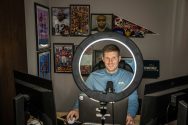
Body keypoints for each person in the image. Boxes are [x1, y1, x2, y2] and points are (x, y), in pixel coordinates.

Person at [67, 44, 138, 125]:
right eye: (107, 58)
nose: (110, 62)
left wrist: (130, 114)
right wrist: (76, 109)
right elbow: (83, 96)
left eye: (114, 58)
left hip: (120, 118)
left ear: (119, 59)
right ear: (103, 59)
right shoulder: (93, 76)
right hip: (96, 117)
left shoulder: (129, 77)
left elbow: (133, 100)